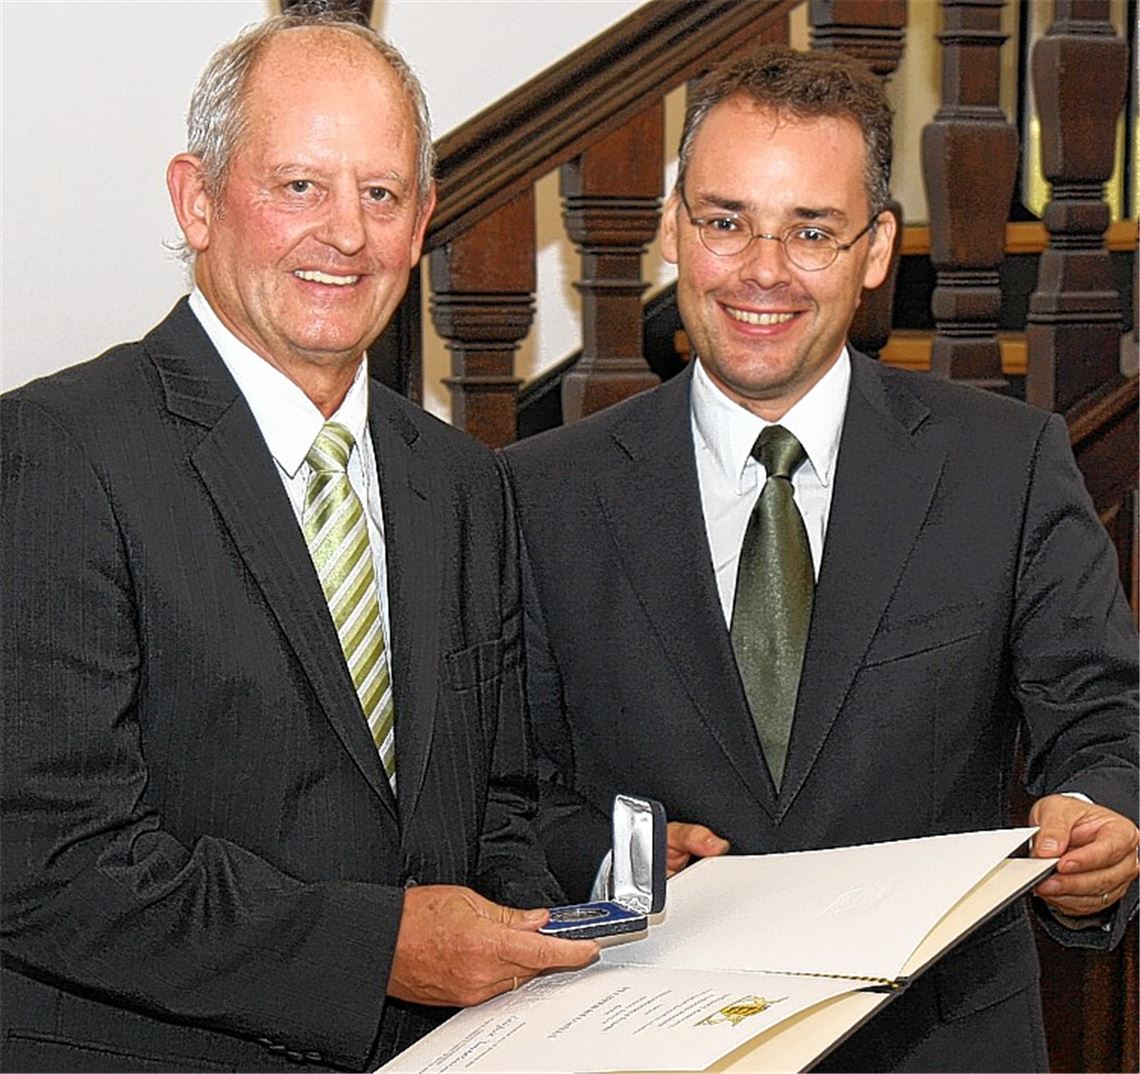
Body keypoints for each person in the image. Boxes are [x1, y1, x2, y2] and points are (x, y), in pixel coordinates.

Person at [501, 44, 1139, 1072]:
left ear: (875, 248)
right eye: (726, 221)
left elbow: (1104, 722)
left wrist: (1100, 819)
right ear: (673, 228)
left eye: (810, 231)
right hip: (650, 1041)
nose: (763, 270)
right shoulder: (539, 494)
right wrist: (615, 860)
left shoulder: (1005, 465)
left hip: (941, 1048)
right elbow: (505, 792)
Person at [0, 12, 597, 1073]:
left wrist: (540, 961)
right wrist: (381, 952)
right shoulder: (58, 450)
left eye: (382, 194)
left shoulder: (462, 481)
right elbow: (50, 861)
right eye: (300, 186)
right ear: (196, 200)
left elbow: (494, 808)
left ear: (422, 221)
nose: (347, 235)